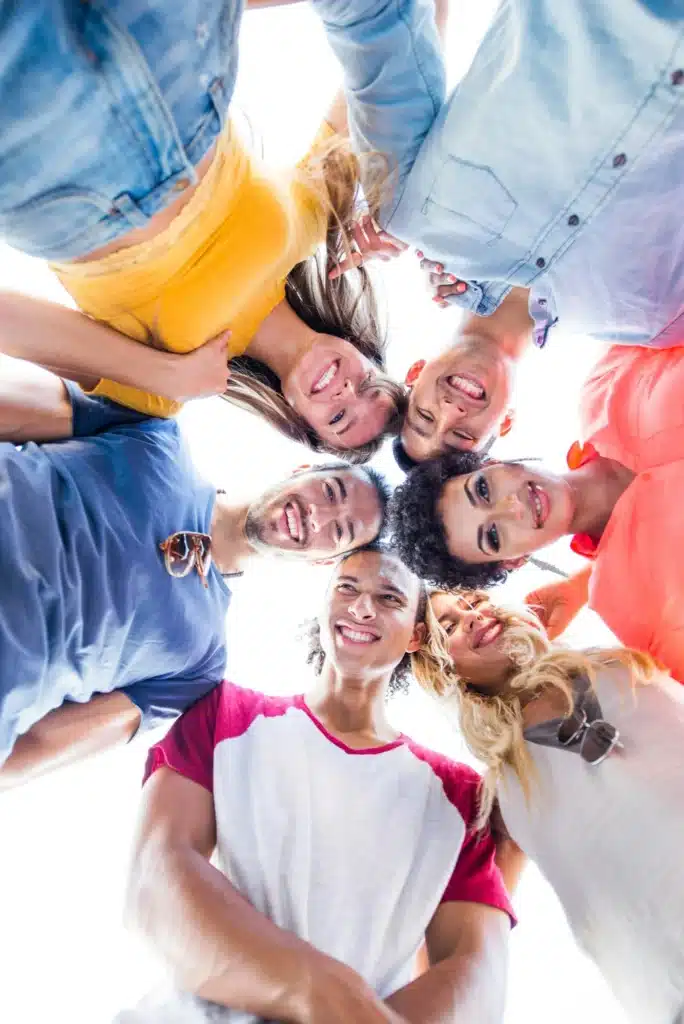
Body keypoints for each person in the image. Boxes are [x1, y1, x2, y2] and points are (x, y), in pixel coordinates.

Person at [120, 544, 514, 1024]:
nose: (362, 606)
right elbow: (156, 876)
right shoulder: (225, 716)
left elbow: (477, 967)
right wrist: (317, 990)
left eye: (389, 598)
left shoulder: (458, 794)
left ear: (415, 635)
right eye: (347, 588)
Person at [0, 3, 405, 460]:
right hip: (176, 90)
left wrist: (165, 374)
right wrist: (405, 210)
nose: (345, 390)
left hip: (62, 183)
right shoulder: (316, 224)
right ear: (364, 349)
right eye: (368, 384)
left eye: (338, 418)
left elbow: (7, 322)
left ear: (294, 418)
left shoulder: (167, 389)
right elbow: (389, 69)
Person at [311, 0, 684, 464]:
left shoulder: (405, 209)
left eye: (425, 417)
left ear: (416, 372)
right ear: (504, 424)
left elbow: (375, 25)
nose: (450, 412)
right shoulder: (658, 321)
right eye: (462, 437)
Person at [0, 365, 390, 789]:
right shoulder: (151, 431)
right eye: (331, 492)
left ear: (320, 561)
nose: (319, 515)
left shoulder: (199, 667)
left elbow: (42, 747)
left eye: (339, 532)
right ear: (300, 470)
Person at [412, 587, 684, 1024]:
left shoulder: (624, 660)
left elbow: (642, 559)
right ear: (448, 676)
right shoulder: (506, 793)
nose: (472, 617)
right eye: (448, 627)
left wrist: (575, 587)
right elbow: (461, 948)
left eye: (475, 602)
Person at [389, 340, 684, 682]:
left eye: (483, 490)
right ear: (513, 561)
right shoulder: (635, 606)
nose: (511, 507)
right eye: (494, 536)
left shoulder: (606, 388)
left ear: (491, 463)